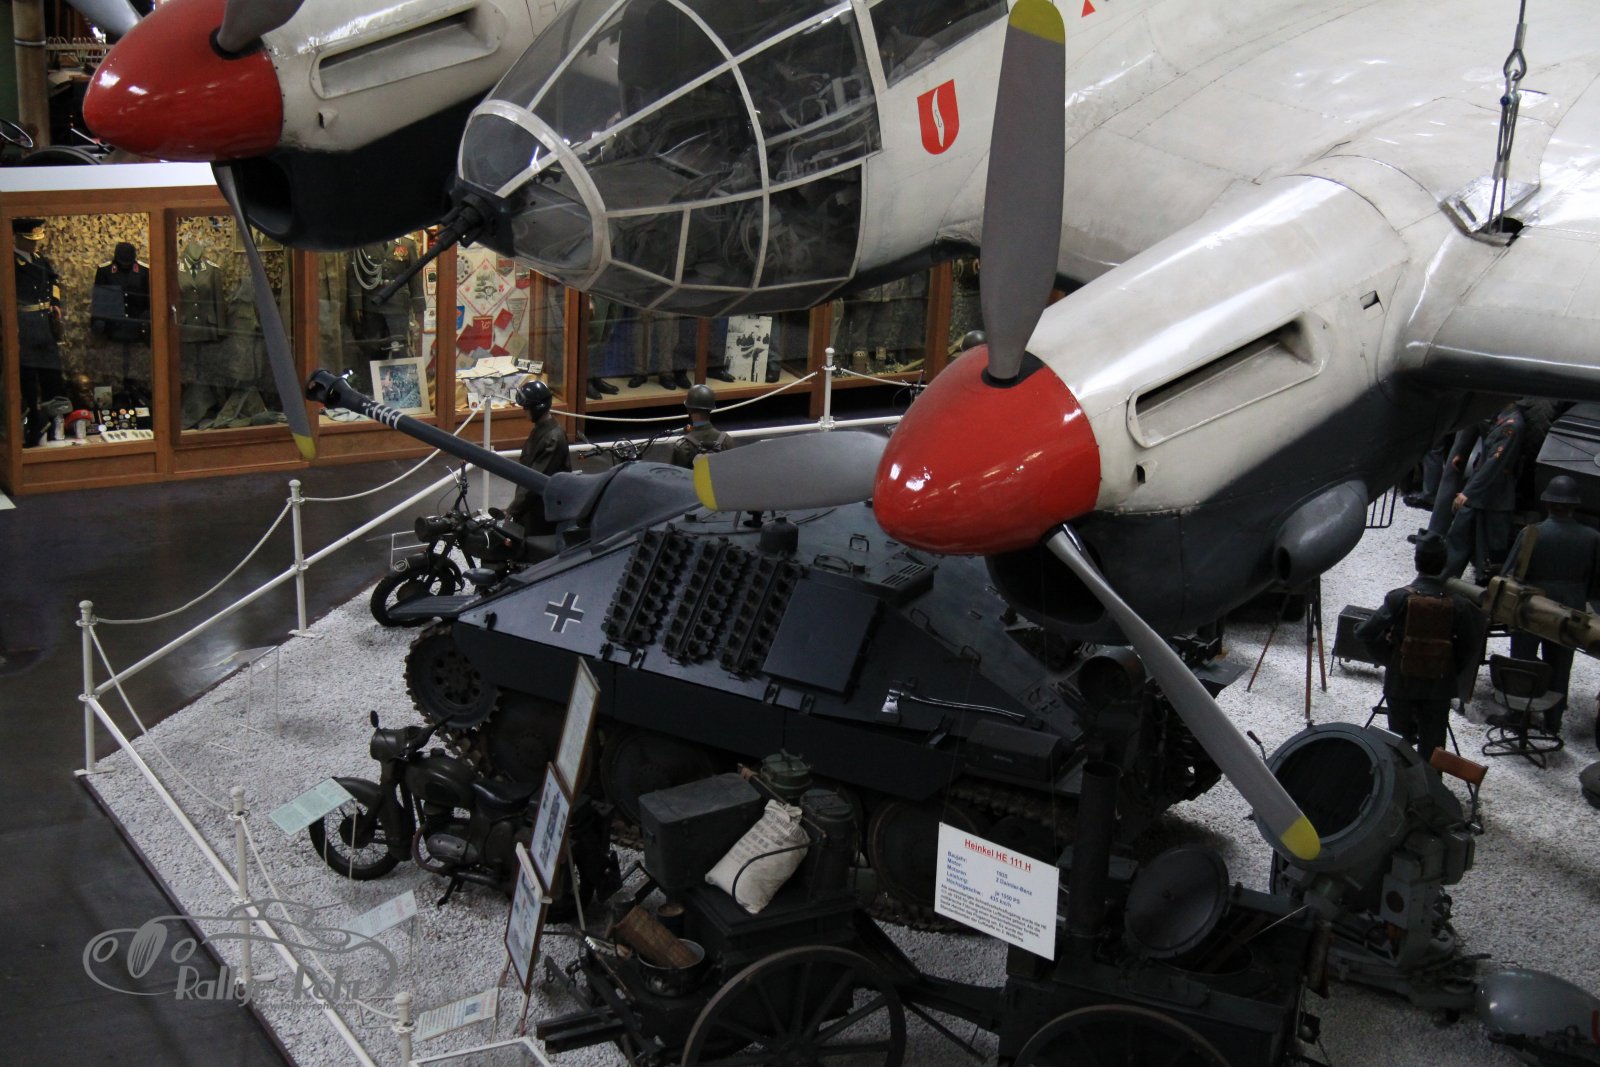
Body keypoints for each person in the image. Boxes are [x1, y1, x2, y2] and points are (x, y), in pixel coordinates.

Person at [1356, 534, 1480, 760]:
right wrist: (1449, 668)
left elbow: (1365, 633)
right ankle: (1430, 781)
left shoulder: (1398, 598)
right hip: (1438, 687)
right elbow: (1470, 647)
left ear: (1416, 562)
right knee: (1433, 750)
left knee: (1398, 747)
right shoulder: (1459, 604)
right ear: (1444, 563)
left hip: (1401, 683)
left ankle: (1400, 780)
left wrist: (1390, 659)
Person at [1505, 475, 1600, 733]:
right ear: (1574, 505)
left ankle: (1518, 716)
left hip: (1531, 605)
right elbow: (1595, 584)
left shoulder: (1531, 533)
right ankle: (1553, 721)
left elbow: (1512, 574)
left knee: (1523, 659)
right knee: (1560, 665)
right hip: (1572, 608)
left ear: (1547, 503)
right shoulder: (1592, 537)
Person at [1444, 400, 1526, 580]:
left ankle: (1479, 581)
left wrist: (1468, 493)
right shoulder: (1501, 418)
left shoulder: (1511, 425)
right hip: (1484, 491)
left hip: (1494, 494)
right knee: (1461, 535)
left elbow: (1494, 464)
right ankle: (1447, 577)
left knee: (1489, 547)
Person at [13, 217, 65, 446]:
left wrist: (55, 303)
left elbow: (54, 281)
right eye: (30, 239)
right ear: (17, 238)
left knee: (52, 377)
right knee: (28, 382)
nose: (34, 244)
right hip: (24, 325)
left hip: (44, 324)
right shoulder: (10, 263)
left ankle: (55, 423)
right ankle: (33, 428)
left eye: (36, 239)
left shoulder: (39, 259)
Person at [506, 379, 571, 535]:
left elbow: (535, 479)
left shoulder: (552, 438)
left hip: (542, 513)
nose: (524, 410)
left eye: (527, 407)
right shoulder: (542, 430)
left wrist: (513, 511)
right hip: (533, 507)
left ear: (537, 408)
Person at [670, 384, 731, 468]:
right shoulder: (727, 441)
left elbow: (675, 474)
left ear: (689, 409)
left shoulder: (682, 447)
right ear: (710, 409)